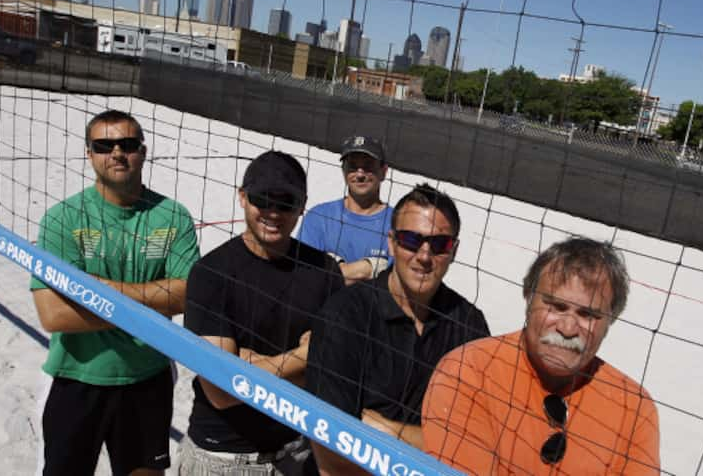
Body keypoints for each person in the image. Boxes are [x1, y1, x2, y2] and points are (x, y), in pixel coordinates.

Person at [30, 109, 200, 475]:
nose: (117, 153)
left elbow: (187, 294)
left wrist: (107, 291)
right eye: (105, 145)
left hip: (147, 376)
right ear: (89, 153)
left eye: (128, 144)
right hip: (76, 377)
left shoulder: (173, 216)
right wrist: (150, 302)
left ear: (143, 149)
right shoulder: (64, 218)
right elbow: (54, 315)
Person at [422, 237, 661, 475]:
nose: (567, 329)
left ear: (611, 320)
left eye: (587, 315)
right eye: (556, 307)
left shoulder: (634, 407)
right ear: (528, 298)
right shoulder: (468, 370)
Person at [306, 183, 490, 475]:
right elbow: (330, 453)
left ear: (453, 250)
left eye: (439, 244)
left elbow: (474, 445)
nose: (424, 256)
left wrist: (391, 431)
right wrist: (430, 441)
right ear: (391, 243)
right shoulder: (344, 314)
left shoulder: (469, 325)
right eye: (411, 240)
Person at [181, 150, 345, 475]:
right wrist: (301, 358)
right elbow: (222, 392)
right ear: (242, 197)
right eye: (262, 199)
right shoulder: (211, 273)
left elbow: (331, 375)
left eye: (285, 202)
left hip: (296, 449)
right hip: (224, 458)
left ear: (302, 205)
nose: (272, 212)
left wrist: (247, 364)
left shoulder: (324, 270)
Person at [298, 135, 393, 284]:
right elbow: (304, 278)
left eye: (368, 166)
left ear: (384, 172)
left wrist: (332, 268)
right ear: (343, 170)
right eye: (352, 166)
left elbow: (393, 286)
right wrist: (367, 269)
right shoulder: (318, 217)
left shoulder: (397, 223)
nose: (360, 174)